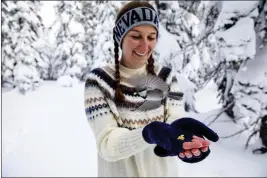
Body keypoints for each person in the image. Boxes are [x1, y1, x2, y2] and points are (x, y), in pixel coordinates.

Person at [84, 1, 219, 177]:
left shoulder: (167, 77)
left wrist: (181, 141)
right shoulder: (99, 81)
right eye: (136, 36)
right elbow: (107, 145)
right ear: (120, 37)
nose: (144, 46)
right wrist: (147, 134)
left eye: (151, 37)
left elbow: (174, 124)